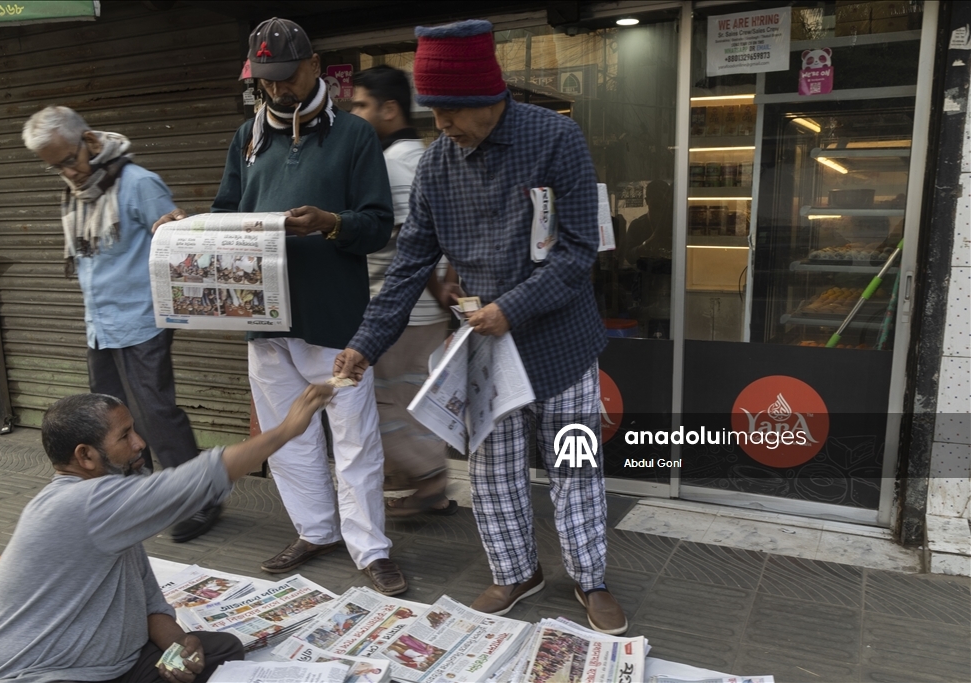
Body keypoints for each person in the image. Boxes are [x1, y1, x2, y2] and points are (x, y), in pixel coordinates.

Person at [334, 20, 627, 635]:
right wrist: (364, 344)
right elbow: (412, 261)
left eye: (448, 111)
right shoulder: (438, 165)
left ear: (485, 99)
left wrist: (511, 309)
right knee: (494, 473)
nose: (439, 125)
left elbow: (577, 252)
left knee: (574, 466)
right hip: (486, 350)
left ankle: (590, 578)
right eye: (432, 111)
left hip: (560, 339)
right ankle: (517, 572)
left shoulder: (556, 138)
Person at [153, 18, 404, 595]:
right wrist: (185, 226)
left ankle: (371, 548)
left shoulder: (355, 136)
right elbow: (225, 212)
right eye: (265, 81)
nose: (277, 90)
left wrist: (331, 223)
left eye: (286, 77)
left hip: (333, 318)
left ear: (314, 66)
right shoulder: (248, 136)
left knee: (354, 437)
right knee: (285, 435)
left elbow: (378, 226)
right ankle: (316, 530)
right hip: (262, 319)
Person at [0, 383, 333, 683]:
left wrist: (179, 649)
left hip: (107, 661)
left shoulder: (113, 507)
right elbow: (194, 480)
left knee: (220, 650)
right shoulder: (82, 505)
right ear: (86, 456)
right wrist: (286, 430)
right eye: (125, 436)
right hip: (38, 673)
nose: (139, 443)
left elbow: (149, 601)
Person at [21, 106, 219, 543]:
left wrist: (178, 230)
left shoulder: (138, 184)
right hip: (101, 322)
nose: (67, 171)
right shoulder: (77, 191)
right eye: (54, 166)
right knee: (106, 418)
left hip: (144, 319)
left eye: (69, 159)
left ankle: (200, 499)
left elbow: (177, 246)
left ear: (90, 142)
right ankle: (135, 493)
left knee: (155, 413)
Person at [351, 64, 459, 516]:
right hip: (424, 311)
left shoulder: (392, 165)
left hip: (402, 312)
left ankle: (430, 480)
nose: (354, 114)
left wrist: (437, 291)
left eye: (360, 105)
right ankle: (425, 482)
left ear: (389, 109)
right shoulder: (425, 157)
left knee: (381, 404)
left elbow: (412, 248)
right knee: (414, 401)